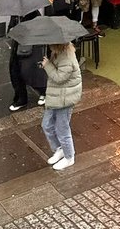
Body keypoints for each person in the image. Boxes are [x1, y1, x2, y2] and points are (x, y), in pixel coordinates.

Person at [40, 41, 82, 172]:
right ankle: (60, 149)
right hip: (56, 95)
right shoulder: (58, 52)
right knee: (46, 124)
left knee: (62, 128)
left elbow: (59, 77)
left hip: (65, 98)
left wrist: (47, 65)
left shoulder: (67, 57)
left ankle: (69, 156)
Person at [8, 10, 47, 112]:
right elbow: (10, 29)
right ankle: (21, 99)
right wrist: (12, 30)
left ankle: (43, 91)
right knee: (15, 73)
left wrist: (23, 31)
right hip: (18, 48)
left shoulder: (35, 15)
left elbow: (38, 33)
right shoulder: (15, 15)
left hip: (31, 49)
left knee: (31, 72)